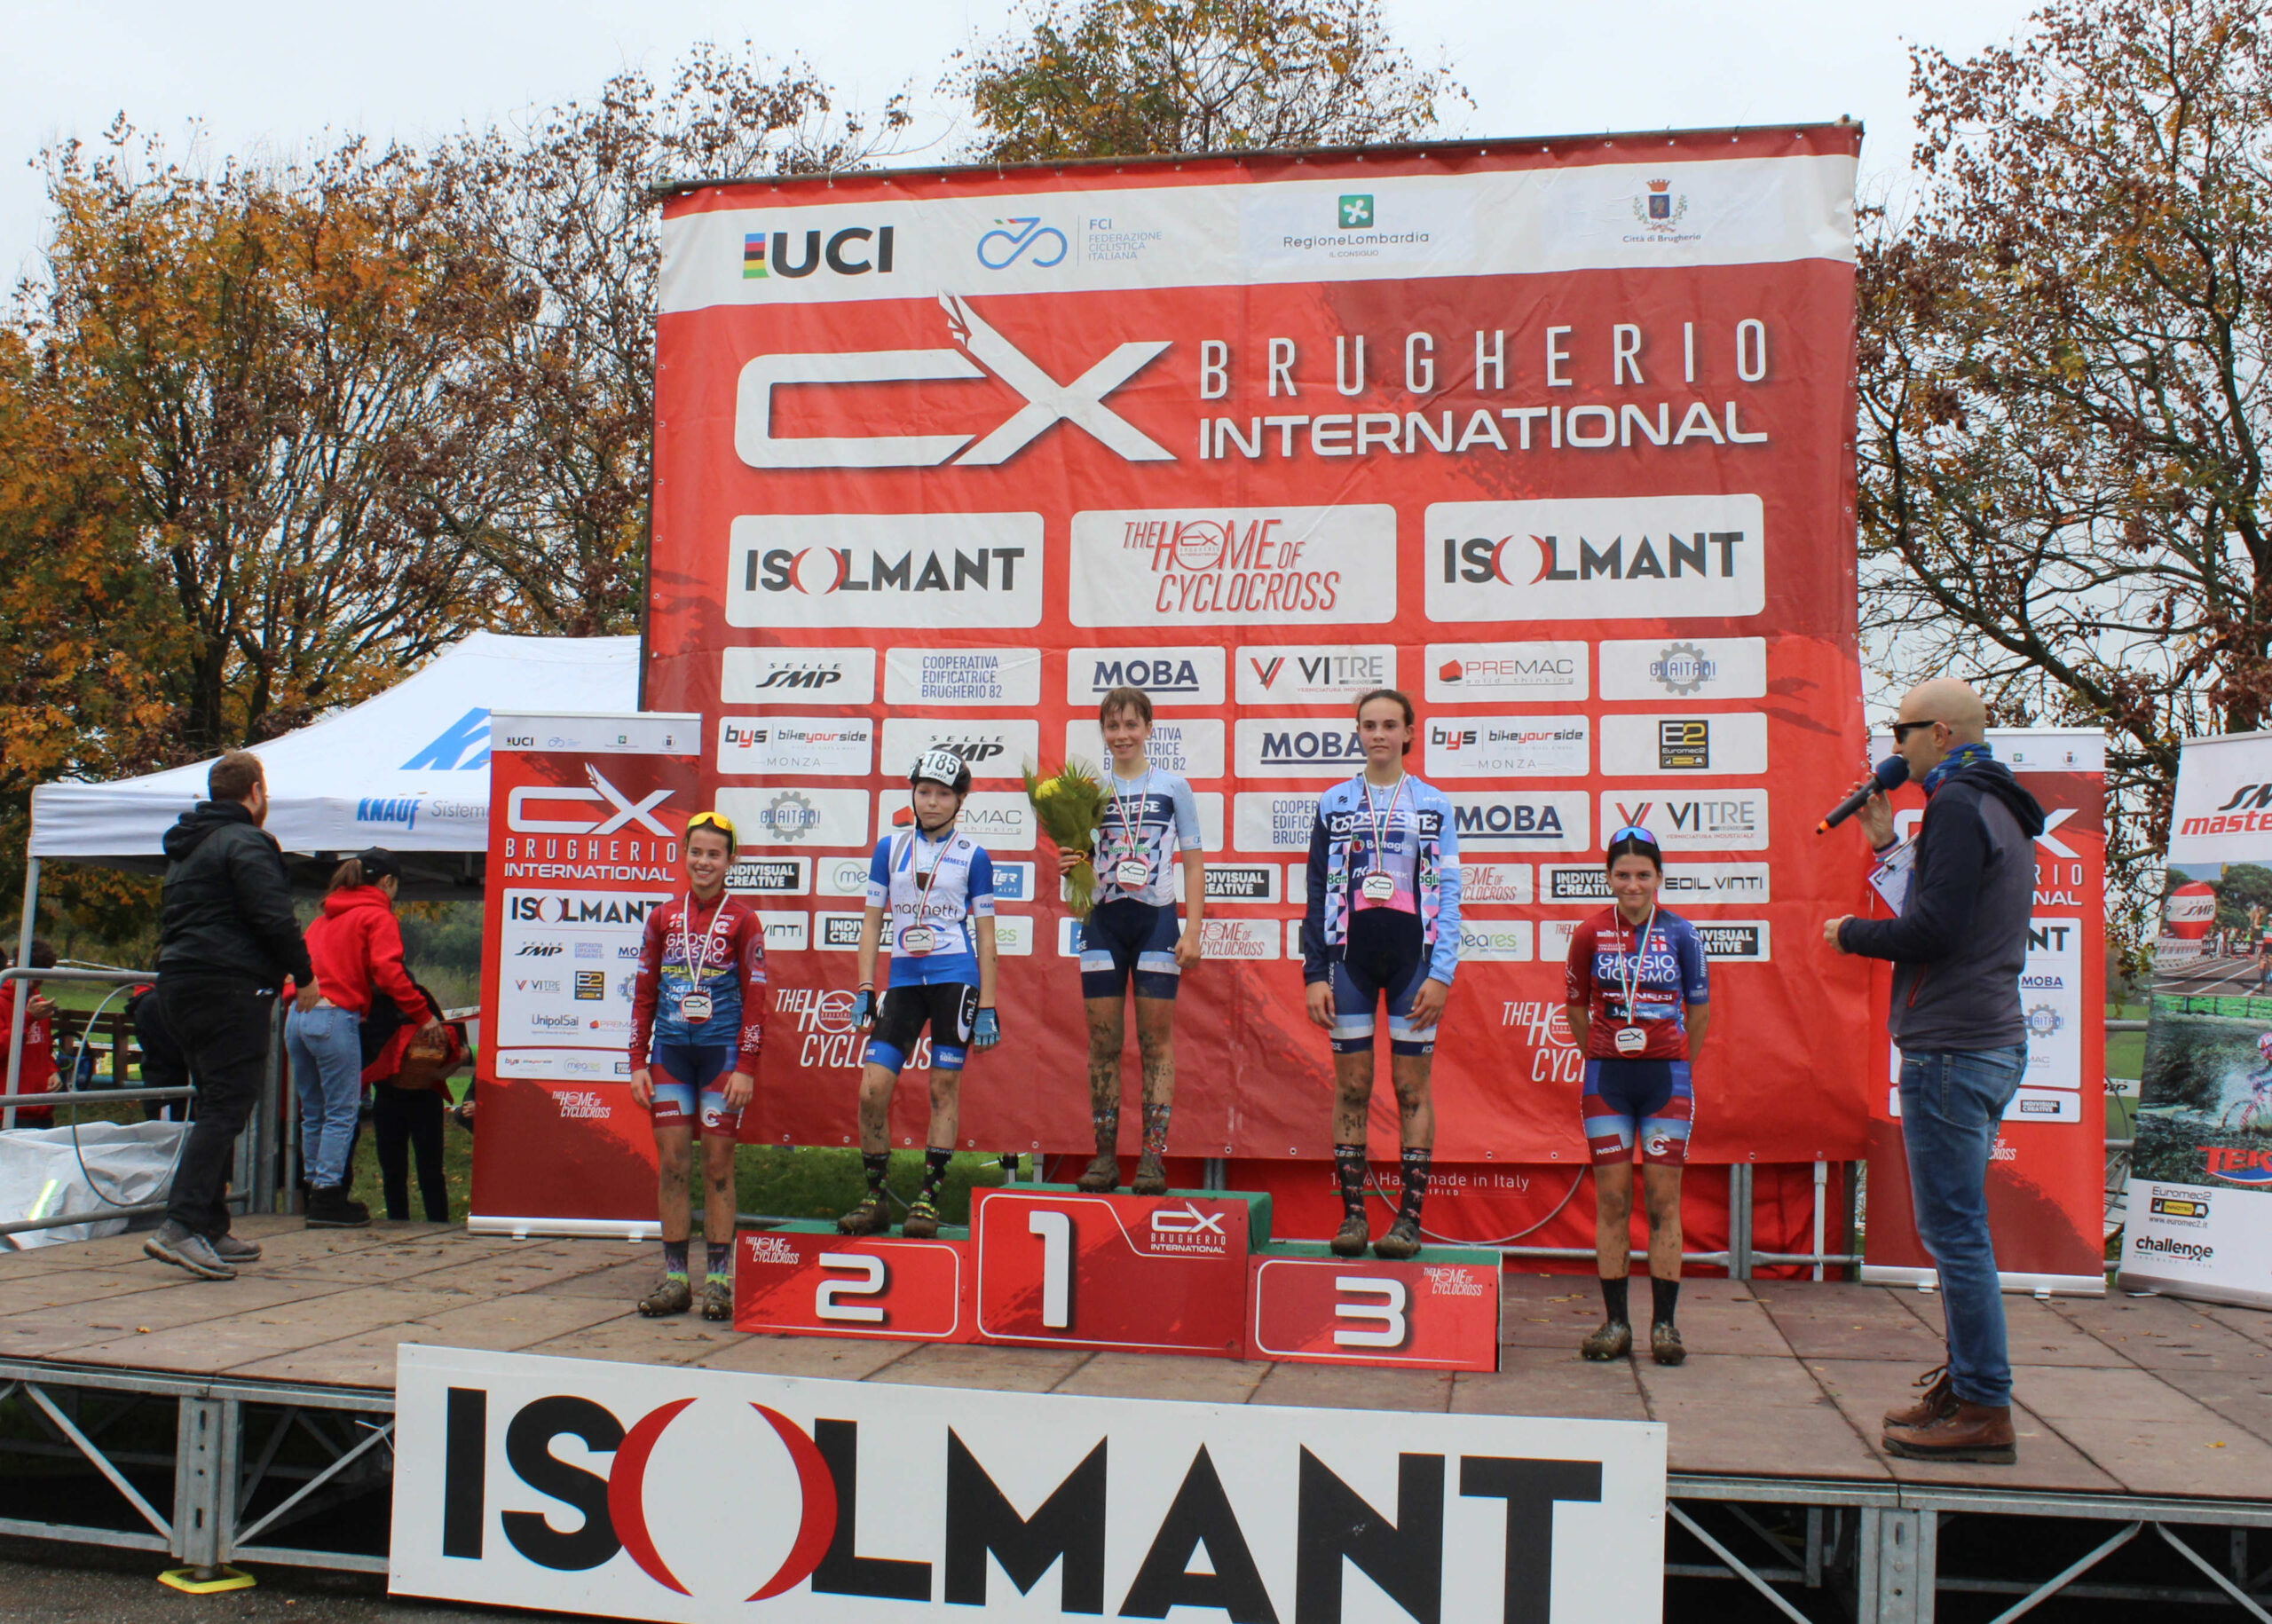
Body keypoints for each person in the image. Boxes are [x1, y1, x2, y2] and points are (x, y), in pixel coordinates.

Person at [1826, 677, 2045, 1464]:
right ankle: (1969, 1386)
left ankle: (1984, 1404)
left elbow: (1934, 933)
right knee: (1958, 1229)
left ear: (1941, 734)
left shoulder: (1955, 805)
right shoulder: (1995, 801)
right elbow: (1946, 907)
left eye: (1903, 731)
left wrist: (1850, 933)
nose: (1895, 747)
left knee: (1955, 1233)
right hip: (1985, 1039)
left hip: (1952, 1046)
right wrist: (1888, 847)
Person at [1298, 689, 1462, 1260]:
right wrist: (1313, 971)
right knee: (1352, 1087)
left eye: (1390, 725)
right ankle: (1352, 1217)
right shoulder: (1335, 802)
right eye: (1369, 725)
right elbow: (1316, 890)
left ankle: (1409, 1221)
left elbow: (1449, 891)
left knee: (1412, 1089)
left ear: (1409, 733)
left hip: (1416, 960)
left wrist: (1442, 973)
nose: (1379, 735)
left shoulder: (1434, 804)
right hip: (1349, 960)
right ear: (1358, 732)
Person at [146, 751, 313, 1281]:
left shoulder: (187, 847)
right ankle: (180, 1225)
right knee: (227, 1105)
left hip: (179, 981)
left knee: (214, 1100)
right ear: (256, 792)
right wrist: (304, 974)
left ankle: (211, 1226)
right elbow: (272, 915)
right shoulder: (248, 842)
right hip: (230, 984)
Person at [1565, 827, 1710, 1365]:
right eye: (1622, 875)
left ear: (1659, 878)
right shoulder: (1588, 934)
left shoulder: (1682, 933)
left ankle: (1665, 1327)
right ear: (1608, 878)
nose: (1632, 885)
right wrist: (1602, 1052)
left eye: (1643, 875)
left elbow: (1699, 1012)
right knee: (1612, 1201)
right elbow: (1576, 1009)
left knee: (1664, 1202)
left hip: (1666, 1080)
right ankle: (1616, 1324)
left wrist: (1676, 1062)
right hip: (1607, 1080)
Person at [841, 751, 1001, 1238]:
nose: (931, 802)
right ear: (912, 794)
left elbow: (987, 936)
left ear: (960, 801)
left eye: (943, 794)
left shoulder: (974, 855)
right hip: (905, 982)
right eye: (924, 791)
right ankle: (875, 1199)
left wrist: (988, 1005)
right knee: (872, 1090)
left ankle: (928, 1199)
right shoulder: (889, 849)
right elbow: (872, 924)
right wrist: (865, 987)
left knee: (942, 1088)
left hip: (956, 978)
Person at [1061, 685, 1204, 1194]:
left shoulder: (1173, 787)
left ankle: (1151, 1161)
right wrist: (1069, 865)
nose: (1122, 735)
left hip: (1156, 921)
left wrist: (1194, 928)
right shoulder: (1088, 791)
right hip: (1102, 921)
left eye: (1130, 725)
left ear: (1148, 728)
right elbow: (1077, 866)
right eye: (1112, 726)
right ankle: (1104, 1160)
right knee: (1103, 1043)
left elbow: (1193, 862)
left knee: (1155, 1044)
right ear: (1103, 732)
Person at [628, 811, 767, 1320]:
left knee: (717, 1165)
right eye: (696, 852)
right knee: (672, 1165)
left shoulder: (744, 920)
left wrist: (745, 1066)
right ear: (683, 855)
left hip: (721, 1056)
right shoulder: (663, 918)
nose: (704, 862)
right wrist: (636, 1061)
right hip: (669, 1054)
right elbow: (644, 992)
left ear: (731, 860)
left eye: (714, 854)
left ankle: (718, 1282)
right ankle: (676, 1281)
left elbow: (757, 999)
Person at [292, 848, 436, 1227]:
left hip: (297, 1016)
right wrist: (423, 1016)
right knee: (342, 1111)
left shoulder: (322, 919)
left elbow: (299, 967)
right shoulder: (377, 916)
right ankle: (328, 1198)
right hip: (334, 1015)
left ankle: (313, 1189)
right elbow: (389, 973)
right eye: (396, 886)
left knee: (313, 1110)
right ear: (387, 882)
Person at [367, 979, 468, 1222]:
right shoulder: (367, 1002)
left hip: (425, 1094)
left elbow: (453, 1038)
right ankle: (397, 1224)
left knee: (431, 1170)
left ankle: (438, 1224)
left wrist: (448, 1067)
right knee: (392, 1171)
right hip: (387, 1095)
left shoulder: (418, 994)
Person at [0, 940, 64, 1128]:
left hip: (41, 1109)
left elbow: (45, 1048)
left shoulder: (38, 1002)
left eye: (40, 977)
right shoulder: (3, 1002)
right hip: (8, 1112)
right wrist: (27, 1018)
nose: (33, 983)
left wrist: (52, 1071)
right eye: (30, 976)